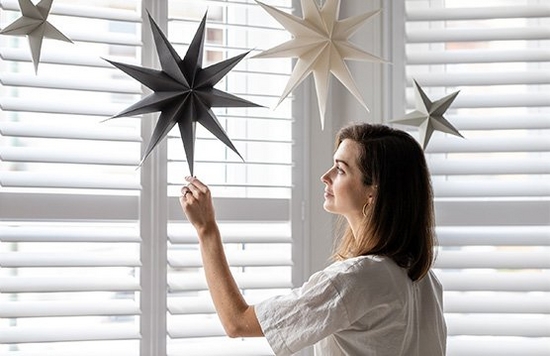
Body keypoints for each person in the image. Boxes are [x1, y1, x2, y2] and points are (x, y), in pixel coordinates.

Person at [179, 123, 447, 356]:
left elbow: (237, 322)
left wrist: (206, 230)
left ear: (372, 192)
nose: (325, 177)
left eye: (340, 170)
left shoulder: (355, 280)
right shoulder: (424, 280)